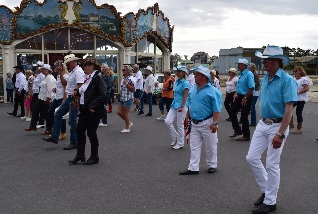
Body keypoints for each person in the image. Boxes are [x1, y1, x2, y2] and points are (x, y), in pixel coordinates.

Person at [246, 45, 298, 214]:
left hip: (277, 125)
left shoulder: (287, 80)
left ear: (276, 62)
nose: (263, 62)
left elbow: (289, 109)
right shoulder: (265, 79)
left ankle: (270, 201)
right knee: (251, 158)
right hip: (263, 124)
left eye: (266, 60)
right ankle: (267, 190)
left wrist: (281, 133)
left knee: (272, 163)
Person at [179, 65, 222, 175]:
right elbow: (190, 104)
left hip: (207, 122)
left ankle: (212, 164)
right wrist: (187, 117)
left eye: (197, 74)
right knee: (194, 146)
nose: (195, 76)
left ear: (204, 77)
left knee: (210, 146)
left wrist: (215, 123)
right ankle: (193, 167)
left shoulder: (213, 91)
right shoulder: (193, 89)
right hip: (194, 122)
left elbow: (217, 108)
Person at [69, 57, 107, 165]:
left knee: (91, 132)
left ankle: (94, 156)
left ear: (91, 66)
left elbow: (103, 93)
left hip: (94, 109)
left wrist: (92, 104)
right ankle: (80, 154)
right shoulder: (87, 77)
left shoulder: (97, 77)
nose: (83, 67)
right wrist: (77, 92)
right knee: (79, 130)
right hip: (85, 108)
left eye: (85, 65)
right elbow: (85, 91)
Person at [43, 54, 84, 150]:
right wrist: (61, 73)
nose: (67, 65)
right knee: (58, 114)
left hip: (74, 98)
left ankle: (74, 142)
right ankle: (55, 137)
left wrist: (76, 99)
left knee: (71, 120)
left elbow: (80, 86)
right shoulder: (73, 71)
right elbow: (65, 83)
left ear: (73, 62)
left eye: (68, 63)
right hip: (70, 97)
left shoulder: (78, 72)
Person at [25, 64, 56, 132]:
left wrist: (48, 98)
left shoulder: (50, 78)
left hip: (46, 98)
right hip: (41, 97)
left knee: (46, 114)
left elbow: (51, 90)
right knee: (35, 109)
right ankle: (33, 125)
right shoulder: (46, 77)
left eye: (43, 69)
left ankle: (49, 129)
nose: (42, 71)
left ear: (47, 70)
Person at [229, 58, 255, 141]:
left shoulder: (249, 74)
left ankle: (246, 135)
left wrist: (245, 97)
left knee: (244, 116)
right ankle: (237, 130)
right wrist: (236, 93)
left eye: (239, 64)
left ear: (244, 65)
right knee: (232, 112)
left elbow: (251, 87)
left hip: (246, 96)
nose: (238, 66)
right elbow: (240, 86)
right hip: (239, 96)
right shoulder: (242, 74)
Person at [165, 65, 190, 149]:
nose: (177, 73)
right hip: (174, 104)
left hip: (181, 105)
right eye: (177, 71)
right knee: (167, 121)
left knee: (180, 124)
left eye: (179, 71)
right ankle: (176, 137)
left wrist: (182, 106)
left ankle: (180, 143)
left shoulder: (185, 83)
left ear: (184, 73)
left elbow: (185, 95)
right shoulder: (177, 81)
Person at [46, 60, 69, 140]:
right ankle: (56, 131)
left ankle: (62, 132)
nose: (55, 68)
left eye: (57, 66)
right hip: (57, 96)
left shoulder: (65, 76)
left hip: (61, 97)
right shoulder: (58, 76)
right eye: (55, 66)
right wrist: (56, 89)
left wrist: (64, 99)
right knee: (50, 112)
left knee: (60, 115)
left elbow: (65, 87)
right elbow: (60, 86)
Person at [289, 66, 309, 134]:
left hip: (301, 99)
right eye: (294, 71)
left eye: (296, 71)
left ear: (301, 71)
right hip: (294, 98)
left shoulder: (303, 79)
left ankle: (299, 127)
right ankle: (291, 124)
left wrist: (298, 92)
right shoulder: (294, 79)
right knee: (289, 110)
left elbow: (306, 88)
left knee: (298, 112)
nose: (295, 72)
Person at [117, 65, 135, 133]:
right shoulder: (123, 78)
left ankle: (127, 128)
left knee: (125, 113)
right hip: (122, 98)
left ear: (128, 71)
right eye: (122, 70)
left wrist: (127, 84)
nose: (122, 71)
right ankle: (129, 123)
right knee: (119, 112)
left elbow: (133, 89)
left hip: (128, 98)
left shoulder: (131, 79)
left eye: (124, 70)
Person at [31, 61, 46, 128]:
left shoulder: (42, 75)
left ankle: (41, 121)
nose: (36, 68)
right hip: (36, 92)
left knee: (38, 107)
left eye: (37, 67)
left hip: (39, 92)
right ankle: (38, 120)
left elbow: (43, 84)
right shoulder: (38, 75)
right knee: (34, 106)